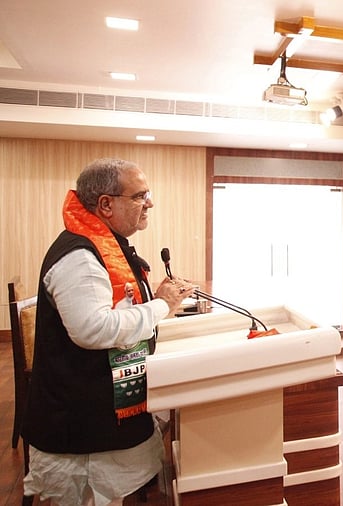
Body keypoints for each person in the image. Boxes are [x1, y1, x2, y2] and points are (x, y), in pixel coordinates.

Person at [23, 158, 194, 505]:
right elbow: (94, 329)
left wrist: (158, 299)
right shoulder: (80, 255)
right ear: (105, 204)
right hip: (80, 425)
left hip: (97, 413)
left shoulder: (108, 243)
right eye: (140, 195)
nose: (150, 203)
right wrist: (161, 305)